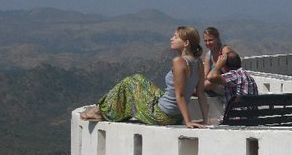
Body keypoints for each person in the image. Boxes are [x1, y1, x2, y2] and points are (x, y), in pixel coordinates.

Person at [80, 26, 209, 128]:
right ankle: (102, 109)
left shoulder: (179, 62)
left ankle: (100, 111)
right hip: (176, 115)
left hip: (162, 115)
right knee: (139, 78)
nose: (171, 39)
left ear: (186, 42)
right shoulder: (198, 63)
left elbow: (179, 95)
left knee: (128, 82)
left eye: (175, 37)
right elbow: (201, 94)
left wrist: (188, 122)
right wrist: (206, 119)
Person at [207, 50, 258, 119]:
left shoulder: (234, 75)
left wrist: (217, 66)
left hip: (237, 120)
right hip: (251, 119)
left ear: (224, 66)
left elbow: (211, 77)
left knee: (206, 122)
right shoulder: (248, 77)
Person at [202, 27, 232, 93]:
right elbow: (205, 75)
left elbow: (230, 73)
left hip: (227, 83)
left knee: (207, 84)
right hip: (214, 82)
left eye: (210, 40)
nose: (208, 43)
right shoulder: (209, 54)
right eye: (205, 41)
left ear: (217, 39)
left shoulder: (225, 51)